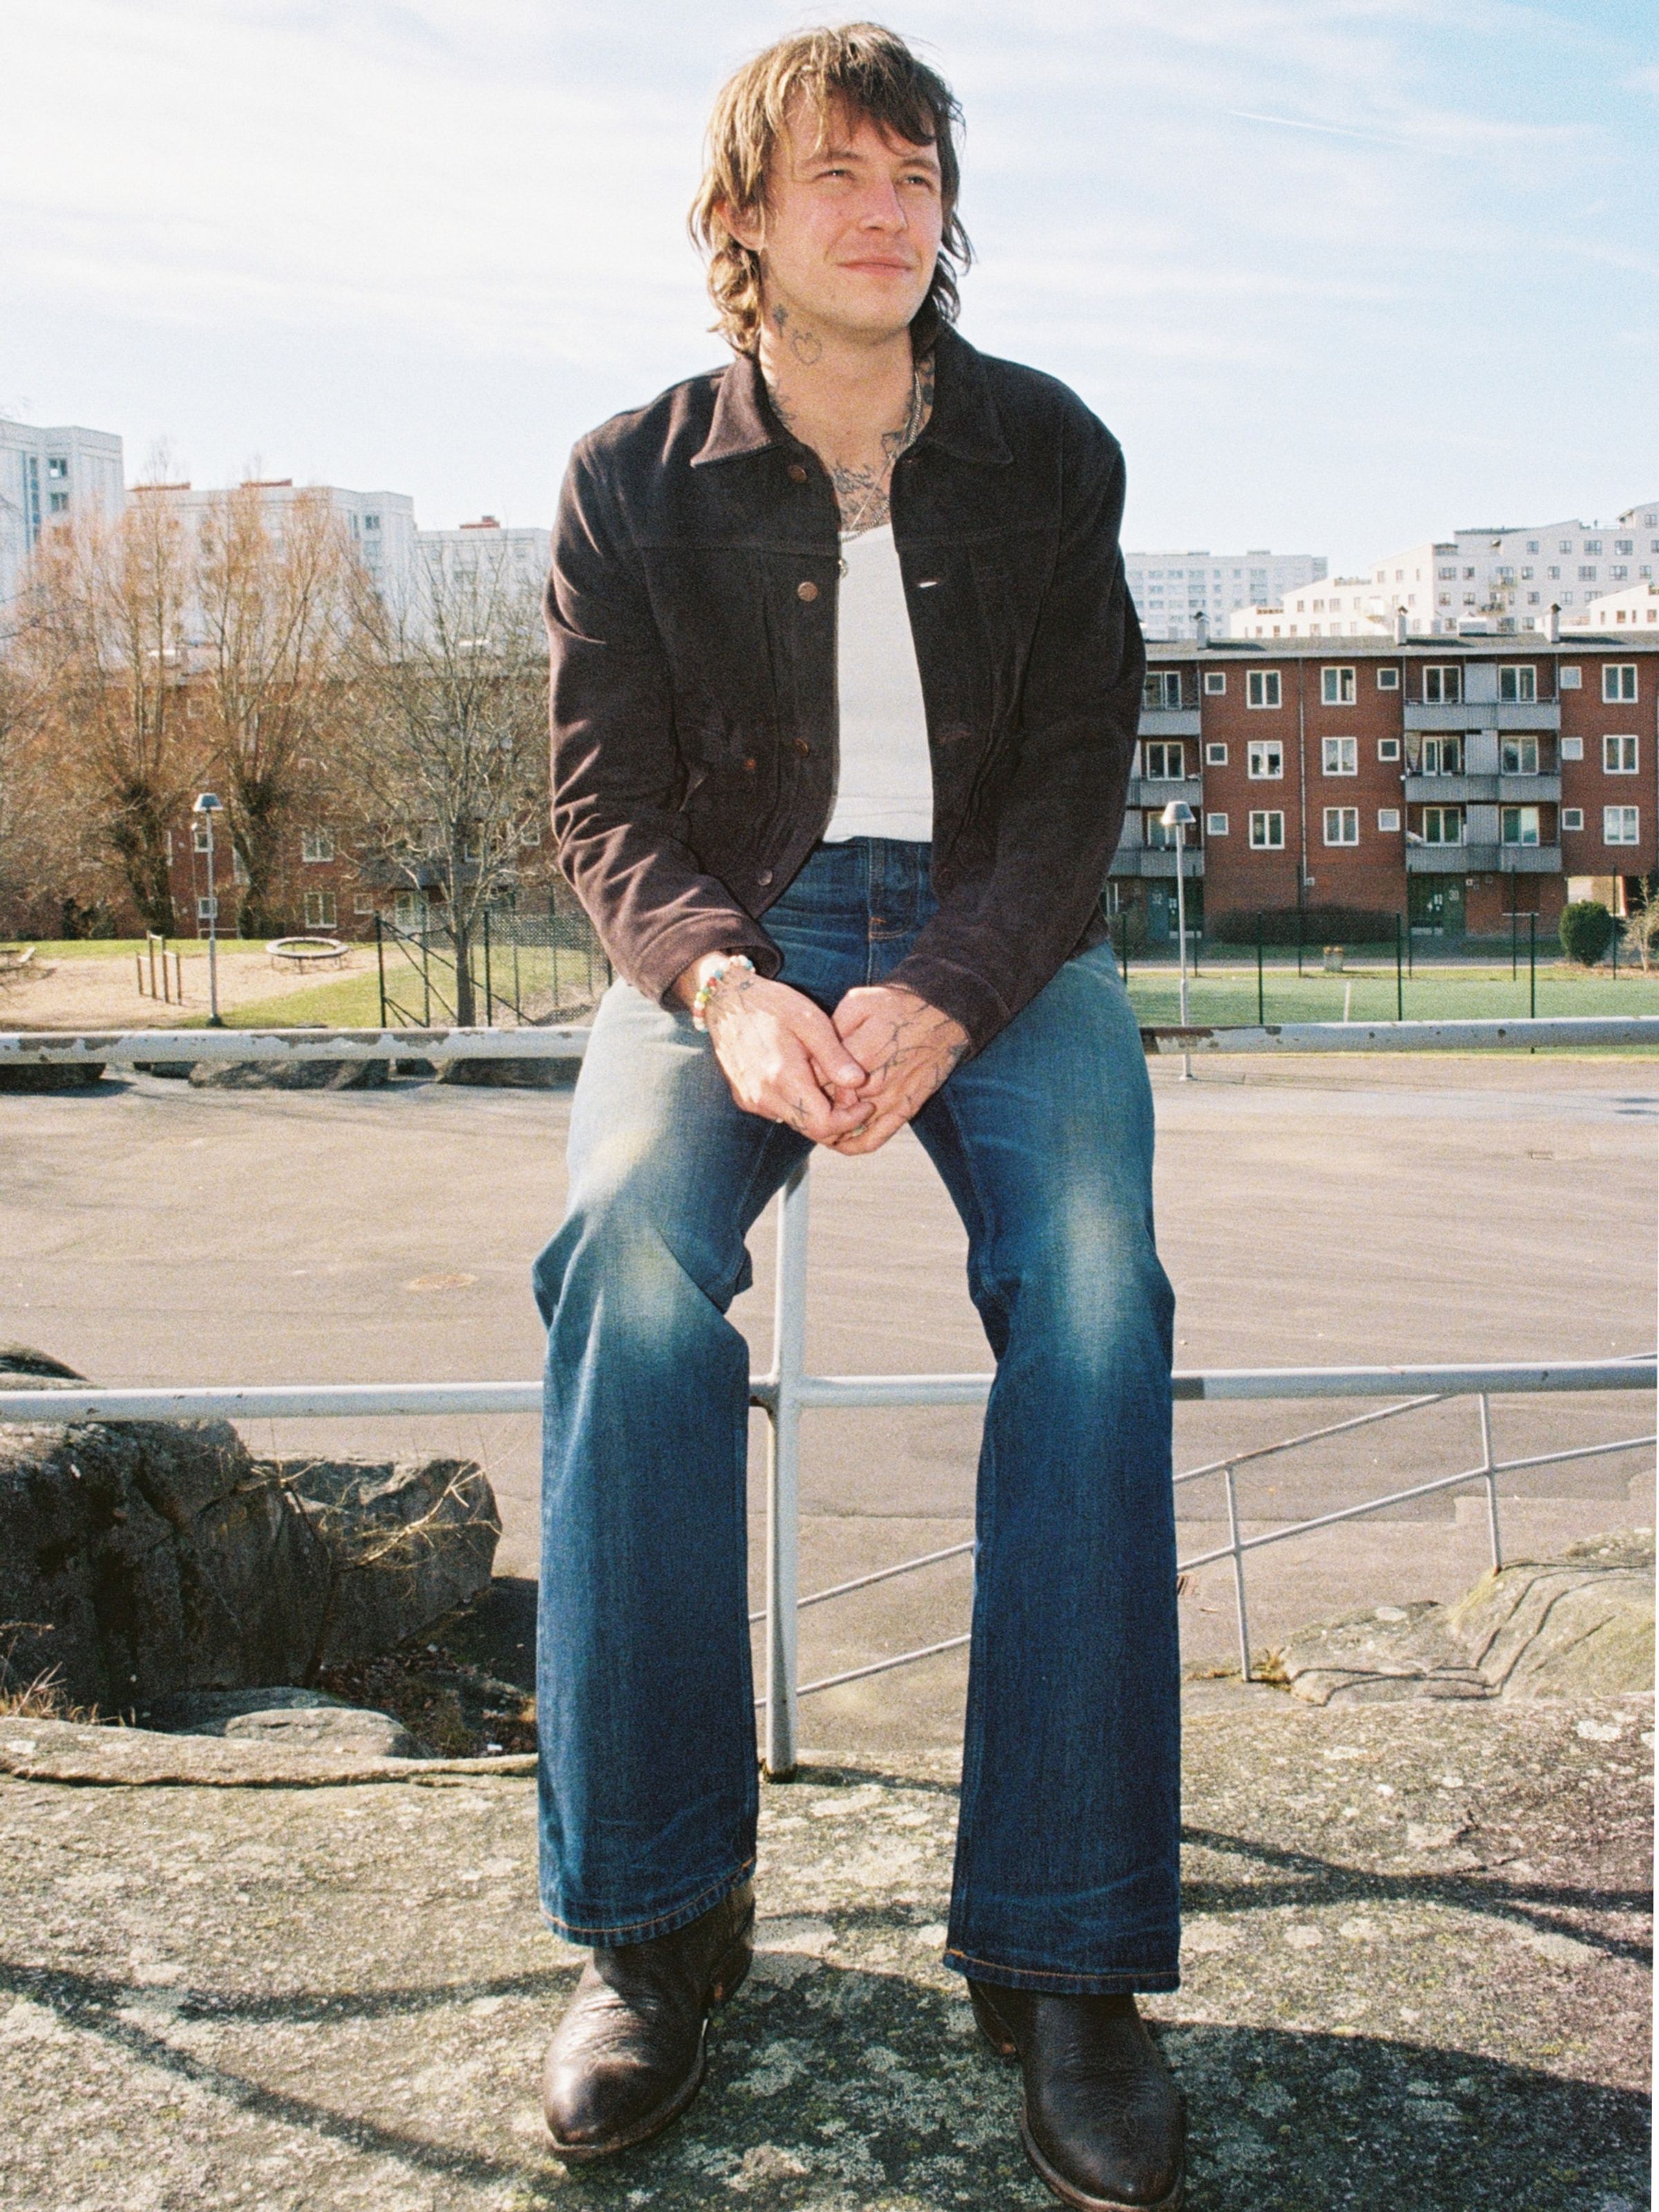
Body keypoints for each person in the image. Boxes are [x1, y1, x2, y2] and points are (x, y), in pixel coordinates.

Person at [533, 24, 1184, 2209]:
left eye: (914, 174)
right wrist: (720, 987)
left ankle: (1066, 1955)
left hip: (1007, 931)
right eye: (839, 175)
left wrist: (953, 988)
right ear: (743, 218)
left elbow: (1086, 772)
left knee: (1095, 1289)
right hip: (729, 932)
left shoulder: (1052, 451)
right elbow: (602, 798)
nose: (886, 210)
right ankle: (656, 1928)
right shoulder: (631, 474)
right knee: (624, 1264)